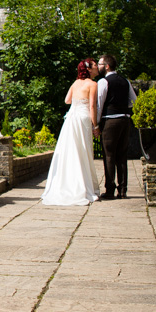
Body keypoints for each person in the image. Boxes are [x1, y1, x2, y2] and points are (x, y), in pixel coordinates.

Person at [41, 58, 100, 206]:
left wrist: (77, 100)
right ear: (89, 69)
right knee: (84, 151)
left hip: (71, 119)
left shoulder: (75, 83)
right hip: (83, 118)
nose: (97, 68)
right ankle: (84, 187)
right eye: (94, 66)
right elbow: (92, 106)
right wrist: (96, 126)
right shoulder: (93, 84)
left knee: (71, 150)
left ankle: (69, 184)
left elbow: (67, 100)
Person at [94, 54, 137, 199]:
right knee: (122, 155)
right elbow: (133, 101)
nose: (98, 66)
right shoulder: (126, 81)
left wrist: (97, 124)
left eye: (100, 64)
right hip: (125, 120)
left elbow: (99, 104)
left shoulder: (103, 82)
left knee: (109, 155)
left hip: (110, 121)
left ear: (106, 66)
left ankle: (110, 189)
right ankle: (123, 190)